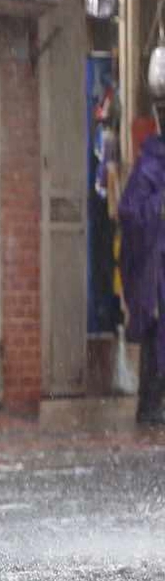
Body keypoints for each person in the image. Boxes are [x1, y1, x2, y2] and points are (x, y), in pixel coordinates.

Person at [118, 121, 165, 425]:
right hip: (155, 269)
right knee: (155, 335)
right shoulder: (149, 166)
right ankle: (149, 404)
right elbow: (130, 211)